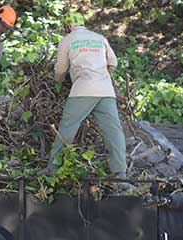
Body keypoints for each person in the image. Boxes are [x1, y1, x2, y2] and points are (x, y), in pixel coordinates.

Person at [38, 11, 129, 183]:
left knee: (67, 127)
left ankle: (53, 167)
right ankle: (120, 172)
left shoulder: (67, 40)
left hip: (83, 90)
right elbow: (113, 63)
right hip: (106, 91)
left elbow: (60, 70)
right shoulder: (99, 38)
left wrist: (58, 82)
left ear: (68, 25)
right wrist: (100, 75)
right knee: (113, 130)